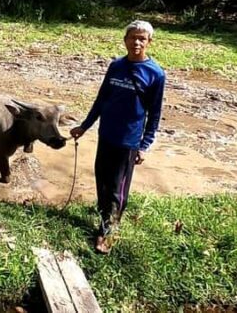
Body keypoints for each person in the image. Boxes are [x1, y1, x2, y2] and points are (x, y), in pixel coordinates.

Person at [70, 20, 166, 254]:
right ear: (125, 40)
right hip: (106, 135)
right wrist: (84, 126)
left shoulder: (155, 74)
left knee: (117, 189)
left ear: (149, 42)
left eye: (142, 38)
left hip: (129, 141)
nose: (136, 42)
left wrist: (145, 145)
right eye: (132, 37)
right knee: (102, 180)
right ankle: (105, 215)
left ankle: (108, 231)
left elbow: (155, 114)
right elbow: (101, 100)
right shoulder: (116, 66)